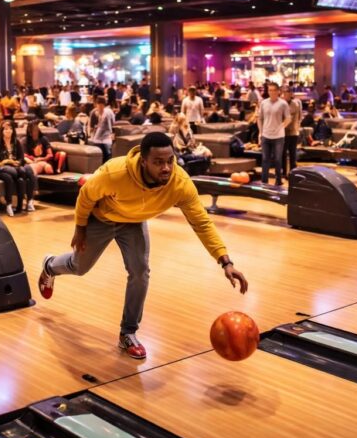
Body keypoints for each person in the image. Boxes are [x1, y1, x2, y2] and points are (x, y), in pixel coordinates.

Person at [38, 132, 248, 359]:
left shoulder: (180, 183)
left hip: (134, 222)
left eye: (170, 161)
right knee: (79, 267)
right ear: (144, 161)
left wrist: (225, 260)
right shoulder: (115, 172)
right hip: (102, 218)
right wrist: (80, 228)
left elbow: (201, 222)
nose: (166, 168)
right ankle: (50, 266)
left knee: (140, 272)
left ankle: (128, 333)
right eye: (158, 162)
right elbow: (86, 196)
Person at [0, 121, 37, 215]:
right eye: (6, 129)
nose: (8, 131)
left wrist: (18, 163)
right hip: (2, 167)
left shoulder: (16, 142)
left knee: (28, 171)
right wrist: (8, 161)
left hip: (16, 167)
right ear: (1, 131)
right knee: (16, 173)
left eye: (10, 129)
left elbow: (21, 157)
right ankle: (13, 204)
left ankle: (29, 201)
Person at [257, 82, 290, 186]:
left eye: (273, 90)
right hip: (266, 135)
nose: (271, 92)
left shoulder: (283, 103)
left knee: (277, 159)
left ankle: (278, 180)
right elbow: (259, 118)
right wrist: (260, 132)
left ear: (278, 91)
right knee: (265, 159)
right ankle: (264, 181)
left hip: (278, 137)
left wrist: (282, 126)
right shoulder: (263, 103)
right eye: (269, 90)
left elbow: (288, 118)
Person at [87, 96, 115, 162]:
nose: (100, 107)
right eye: (99, 105)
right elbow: (91, 128)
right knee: (103, 153)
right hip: (97, 138)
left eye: (102, 105)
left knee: (107, 153)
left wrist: (113, 133)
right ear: (96, 105)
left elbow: (113, 124)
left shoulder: (108, 112)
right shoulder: (93, 113)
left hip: (106, 137)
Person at [281, 86, 302, 177]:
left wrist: (297, 126)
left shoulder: (296, 104)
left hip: (293, 132)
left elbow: (299, 117)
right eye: (284, 92)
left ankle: (292, 173)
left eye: (288, 92)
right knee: (283, 153)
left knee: (292, 153)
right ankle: (284, 172)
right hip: (283, 132)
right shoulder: (281, 104)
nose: (286, 94)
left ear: (291, 94)